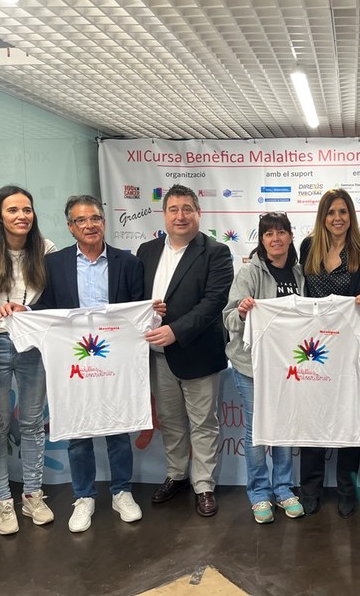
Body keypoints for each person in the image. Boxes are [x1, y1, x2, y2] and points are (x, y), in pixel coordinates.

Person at [3, 195, 146, 533]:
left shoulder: (128, 263)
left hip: (115, 359)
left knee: (118, 426)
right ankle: (84, 496)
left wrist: (153, 313)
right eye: (81, 220)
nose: (89, 225)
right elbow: (47, 307)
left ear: (104, 222)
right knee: (78, 429)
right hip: (73, 360)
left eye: (95, 218)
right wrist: (27, 312)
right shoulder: (54, 264)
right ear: (70, 227)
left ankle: (122, 491)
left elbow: (138, 309)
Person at [137, 185, 233, 517]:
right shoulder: (146, 251)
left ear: (198, 213)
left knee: (203, 423)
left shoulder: (216, 252)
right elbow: (136, 298)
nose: (180, 216)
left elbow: (213, 302)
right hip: (157, 355)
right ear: (164, 214)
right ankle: (176, 475)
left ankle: (203, 485)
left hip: (198, 353)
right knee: (171, 421)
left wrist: (175, 330)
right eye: (174, 209)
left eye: (187, 209)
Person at [0, 186, 57, 536]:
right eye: (13, 210)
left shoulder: (46, 249)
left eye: (27, 209)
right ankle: (2, 499)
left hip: (32, 344)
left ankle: (32, 495)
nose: (22, 216)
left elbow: (55, 300)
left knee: (33, 422)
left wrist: (29, 309)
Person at [223, 212, 306, 524]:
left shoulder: (299, 274)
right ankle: (259, 492)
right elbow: (228, 318)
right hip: (251, 365)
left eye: (281, 232)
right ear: (261, 239)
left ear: (290, 236)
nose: (276, 238)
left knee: (282, 424)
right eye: (269, 233)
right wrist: (243, 313)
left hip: (286, 364)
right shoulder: (249, 272)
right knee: (257, 428)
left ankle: (283, 488)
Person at [298, 188, 360, 519]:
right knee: (312, 417)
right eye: (331, 212)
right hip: (314, 349)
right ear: (323, 217)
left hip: (350, 351)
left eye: (343, 212)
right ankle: (310, 489)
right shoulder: (307, 248)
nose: (337, 218)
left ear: (351, 216)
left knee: (348, 419)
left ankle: (347, 489)